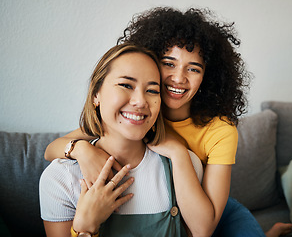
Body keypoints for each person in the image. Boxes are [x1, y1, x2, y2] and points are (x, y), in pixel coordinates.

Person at [44, 7, 292, 237]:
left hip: (213, 206)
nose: (178, 78)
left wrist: (176, 150)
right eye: (168, 64)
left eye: (194, 69)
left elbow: (204, 226)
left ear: (208, 76)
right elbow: (57, 146)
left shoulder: (219, 130)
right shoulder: (137, 113)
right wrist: (82, 150)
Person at [39, 43, 203, 237]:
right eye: (126, 85)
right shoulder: (60, 178)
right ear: (95, 95)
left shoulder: (185, 165)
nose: (140, 101)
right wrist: (85, 228)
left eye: (152, 90)